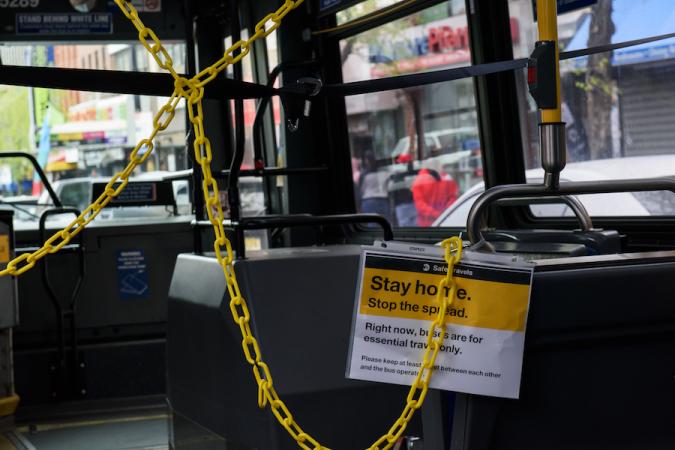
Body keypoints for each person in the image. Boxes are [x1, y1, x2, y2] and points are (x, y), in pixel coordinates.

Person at [411, 159, 458, 226]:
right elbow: (452, 198)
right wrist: (445, 212)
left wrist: (438, 213)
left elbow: (420, 205)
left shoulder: (419, 180)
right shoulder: (447, 178)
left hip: (428, 223)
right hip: (444, 220)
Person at [358, 151, 391, 221]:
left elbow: (361, 191)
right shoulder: (384, 172)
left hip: (368, 201)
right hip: (382, 200)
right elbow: (388, 187)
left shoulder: (364, 174)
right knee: (385, 223)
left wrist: (359, 204)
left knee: (372, 226)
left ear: (366, 161)